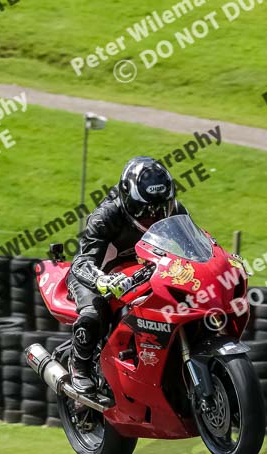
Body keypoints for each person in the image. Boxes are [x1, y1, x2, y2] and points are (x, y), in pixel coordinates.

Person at [67, 156, 187, 393]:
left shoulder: (173, 210)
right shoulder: (106, 217)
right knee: (94, 311)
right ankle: (78, 365)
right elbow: (81, 263)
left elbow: (195, 244)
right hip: (99, 272)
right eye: (145, 212)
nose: (154, 217)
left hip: (144, 270)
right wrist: (101, 280)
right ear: (129, 202)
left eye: (159, 210)